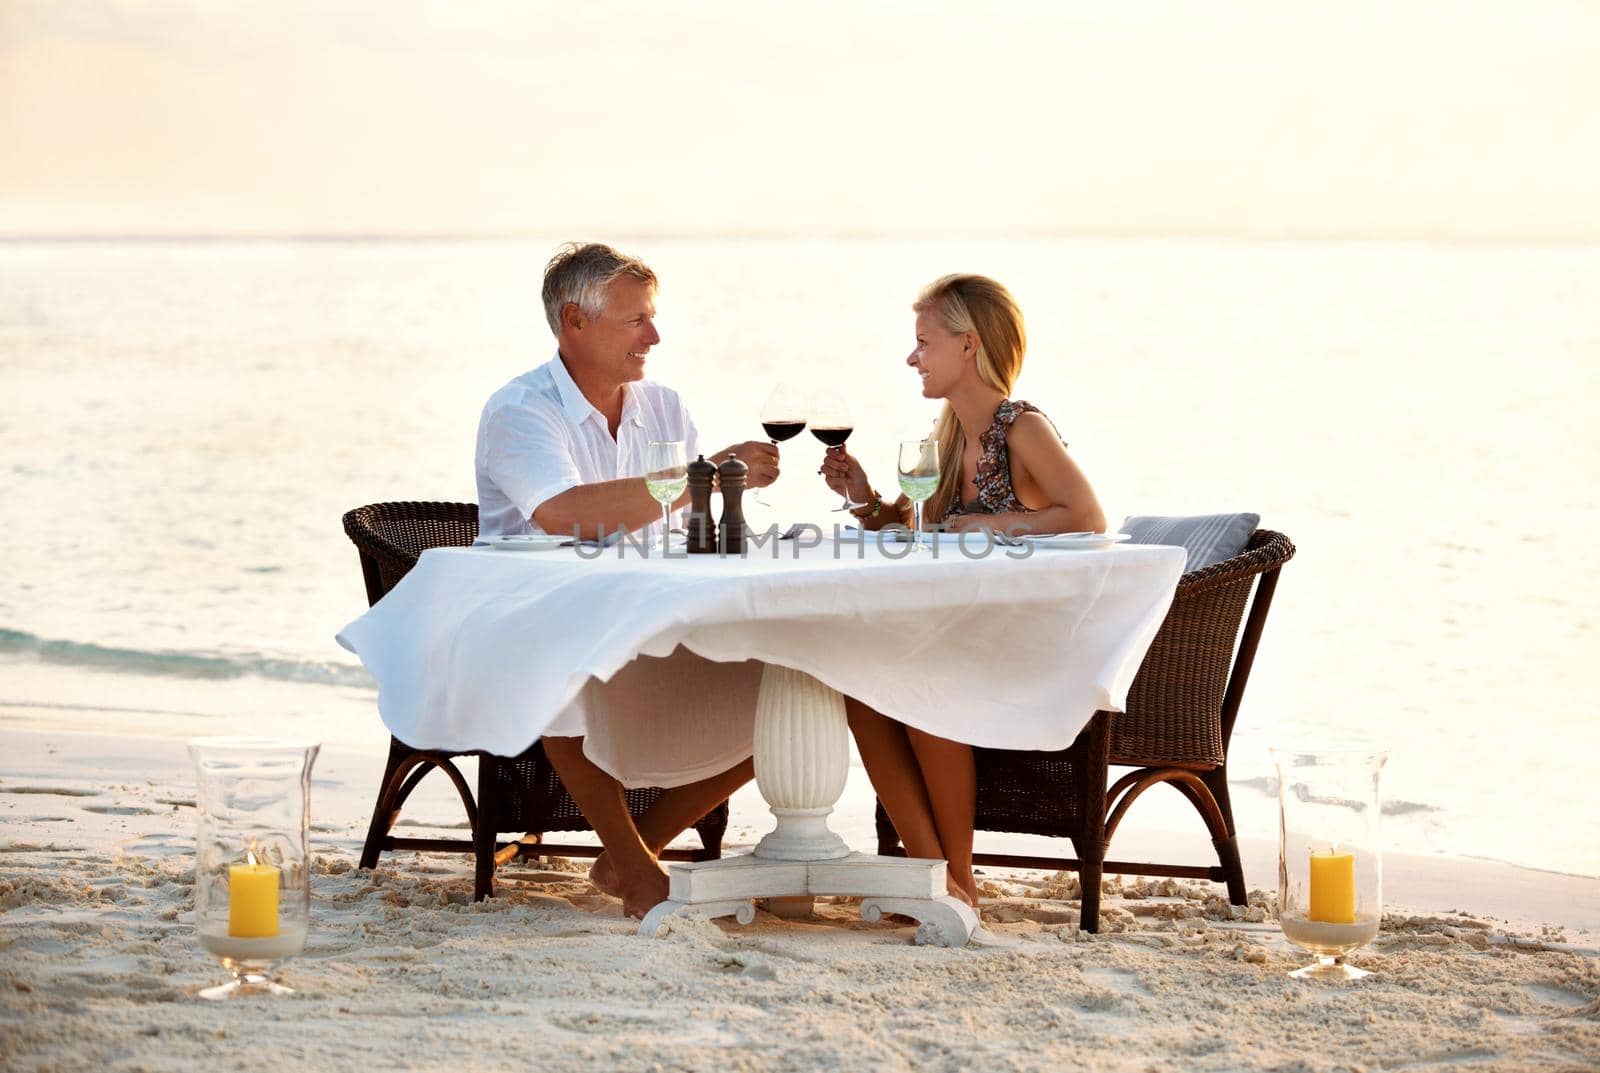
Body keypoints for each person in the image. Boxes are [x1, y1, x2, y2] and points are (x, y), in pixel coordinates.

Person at [475, 242, 779, 917]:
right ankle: (641, 874)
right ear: (574, 323)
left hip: (646, 614)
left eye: (652, 316)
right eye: (635, 320)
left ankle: (631, 850)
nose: (655, 335)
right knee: (563, 666)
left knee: (793, 681)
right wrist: (696, 477)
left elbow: (682, 526)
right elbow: (563, 512)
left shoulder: (664, 408)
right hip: (537, 623)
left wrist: (720, 502)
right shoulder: (520, 411)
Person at [817, 274, 1106, 905]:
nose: (911, 356)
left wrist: (988, 523)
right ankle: (934, 877)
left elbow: (1086, 516)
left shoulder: (1021, 428)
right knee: (861, 691)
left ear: (968, 346)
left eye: (923, 342)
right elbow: (919, 523)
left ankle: (960, 882)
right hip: (964, 631)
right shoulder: (948, 435)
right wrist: (862, 496)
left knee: (925, 687)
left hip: (1025, 640)